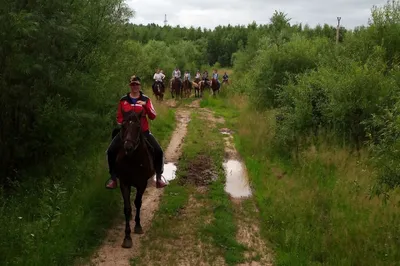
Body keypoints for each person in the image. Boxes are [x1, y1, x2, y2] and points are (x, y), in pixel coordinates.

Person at [105, 75, 168, 189]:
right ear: (130, 86)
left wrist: (146, 107)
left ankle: (159, 177)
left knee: (158, 151)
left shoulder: (146, 99)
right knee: (110, 151)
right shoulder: (123, 100)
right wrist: (124, 124)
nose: (135, 87)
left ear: (139, 86)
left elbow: (153, 116)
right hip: (126, 133)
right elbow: (119, 116)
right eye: (133, 84)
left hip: (143, 132)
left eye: (137, 84)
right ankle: (113, 178)